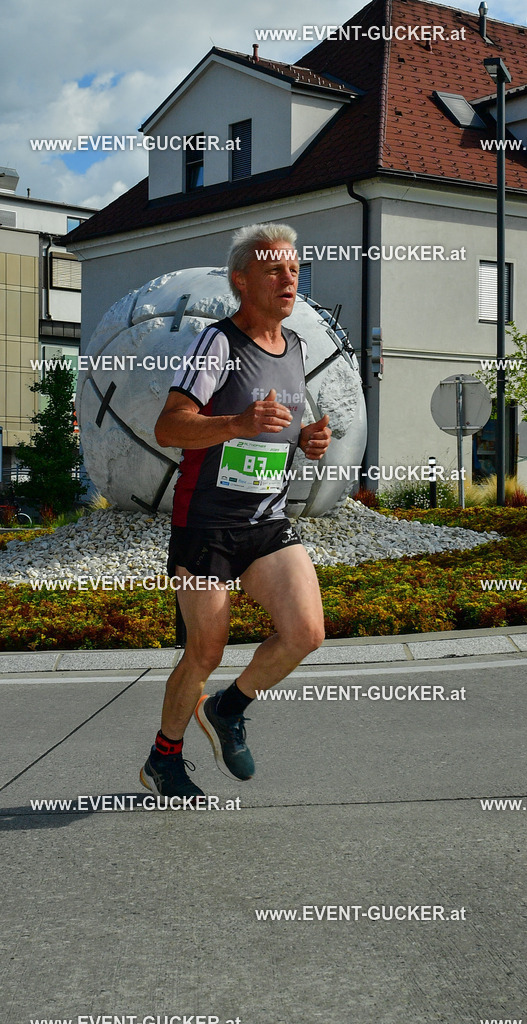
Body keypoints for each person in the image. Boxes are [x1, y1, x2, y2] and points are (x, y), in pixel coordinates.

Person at [140, 222, 332, 799]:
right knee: (205, 649)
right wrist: (237, 423)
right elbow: (169, 426)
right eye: (274, 269)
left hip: (267, 522)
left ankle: (228, 708)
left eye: (294, 269)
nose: (288, 278)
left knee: (307, 631)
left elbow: (282, 425)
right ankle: (164, 757)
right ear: (241, 281)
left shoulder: (295, 348)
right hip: (206, 524)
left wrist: (306, 439)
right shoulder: (218, 344)